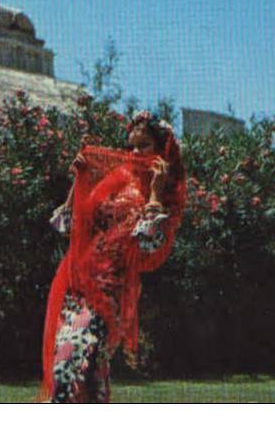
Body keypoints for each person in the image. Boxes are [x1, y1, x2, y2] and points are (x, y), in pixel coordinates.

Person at [40, 111, 186, 403]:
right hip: (78, 282)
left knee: (73, 363)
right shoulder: (118, 178)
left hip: (112, 291)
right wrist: (79, 181)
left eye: (143, 145)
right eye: (130, 145)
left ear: (162, 151)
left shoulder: (167, 194)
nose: (134, 153)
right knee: (86, 370)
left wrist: (155, 194)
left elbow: (150, 247)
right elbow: (71, 224)